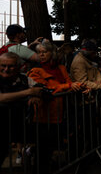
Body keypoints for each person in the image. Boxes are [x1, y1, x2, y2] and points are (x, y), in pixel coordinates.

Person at [27, 40, 85, 173]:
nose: (41, 55)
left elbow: (69, 83)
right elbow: (45, 89)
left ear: (52, 53)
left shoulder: (61, 68)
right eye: (39, 52)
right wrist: (67, 86)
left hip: (61, 114)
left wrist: (74, 86)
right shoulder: (35, 71)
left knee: (53, 145)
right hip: (43, 115)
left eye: (44, 52)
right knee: (43, 148)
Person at [0, 52, 42, 167]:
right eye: (3, 65)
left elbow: (39, 86)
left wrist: (35, 95)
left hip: (16, 124)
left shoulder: (23, 79)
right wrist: (28, 92)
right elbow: (1, 98)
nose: (6, 69)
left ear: (19, 67)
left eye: (10, 66)